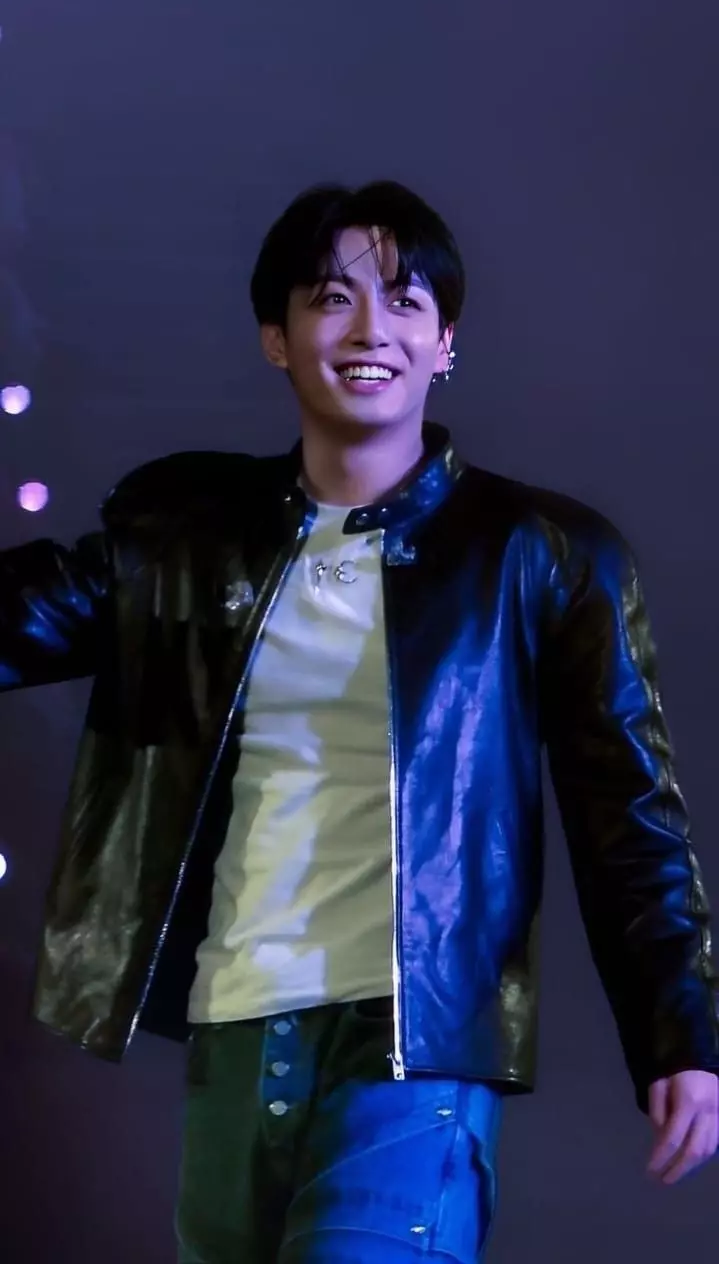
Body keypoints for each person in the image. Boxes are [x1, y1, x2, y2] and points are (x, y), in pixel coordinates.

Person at [1, 180, 718, 1264]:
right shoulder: (189, 538)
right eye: (332, 299)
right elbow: (27, 615)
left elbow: (628, 809)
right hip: (236, 1023)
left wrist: (680, 1031)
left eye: (404, 300)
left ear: (444, 342)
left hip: (412, 1048)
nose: (369, 329)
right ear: (276, 338)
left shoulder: (540, 553)